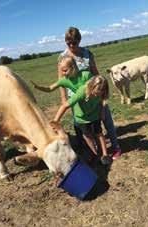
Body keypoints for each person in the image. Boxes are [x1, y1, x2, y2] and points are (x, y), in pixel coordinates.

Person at [58, 27, 121, 160]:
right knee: (81, 125)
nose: (71, 46)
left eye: (73, 42)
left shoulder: (87, 54)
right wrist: (64, 99)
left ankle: (115, 147)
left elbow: (96, 73)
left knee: (105, 119)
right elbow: (61, 80)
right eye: (68, 43)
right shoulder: (63, 57)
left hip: (95, 94)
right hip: (76, 98)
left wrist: (102, 95)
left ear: (79, 40)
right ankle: (91, 152)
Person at [33, 73, 112, 165]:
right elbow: (65, 105)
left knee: (99, 133)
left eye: (100, 92)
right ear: (91, 86)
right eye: (96, 91)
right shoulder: (82, 92)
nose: (97, 94)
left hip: (94, 115)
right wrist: (56, 120)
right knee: (88, 136)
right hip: (82, 118)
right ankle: (95, 154)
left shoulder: (102, 93)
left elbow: (102, 101)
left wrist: (102, 111)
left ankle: (105, 154)